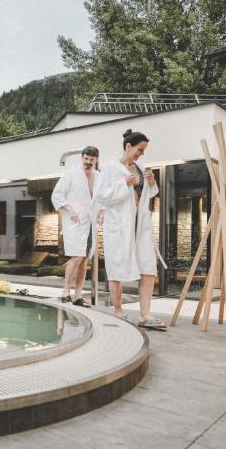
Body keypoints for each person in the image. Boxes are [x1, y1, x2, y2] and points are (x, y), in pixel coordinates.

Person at [94, 130, 166, 330]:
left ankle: (144, 314)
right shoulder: (110, 168)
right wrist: (122, 183)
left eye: (143, 151)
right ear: (128, 146)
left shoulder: (140, 168)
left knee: (148, 268)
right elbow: (101, 196)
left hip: (140, 223)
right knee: (117, 267)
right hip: (119, 225)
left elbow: (149, 194)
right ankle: (118, 311)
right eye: (139, 150)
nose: (141, 154)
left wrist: (151, 183)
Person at [51, 146, 101, 306]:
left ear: (96, 160)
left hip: (91, 222)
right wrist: (70, 210)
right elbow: (57, 195)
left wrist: (102, 212)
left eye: (91, 160)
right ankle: (66, 292)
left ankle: (78, 295)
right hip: (76, 221)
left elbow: (102, 197)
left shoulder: (99, 176)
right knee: (77, 256)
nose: (88, 162)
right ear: (82, 158)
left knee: (85, 259)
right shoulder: (71, 174)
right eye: (86, 159)